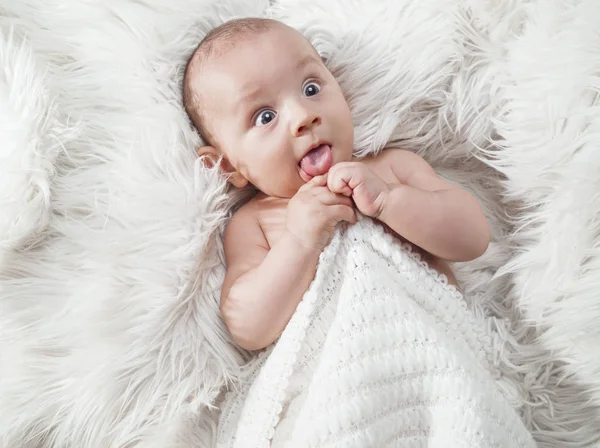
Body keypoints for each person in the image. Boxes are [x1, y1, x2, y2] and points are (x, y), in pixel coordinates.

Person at [182, 17, 490, 351]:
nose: (304, 116)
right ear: (228, 165)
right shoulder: (255, 222)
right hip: (335, 378)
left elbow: (473, 238)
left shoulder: (392, 168)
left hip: (437, 354)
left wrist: (390, 201)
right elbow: (247, 328)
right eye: (265, 116)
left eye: (310, 89)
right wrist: (299, 242)